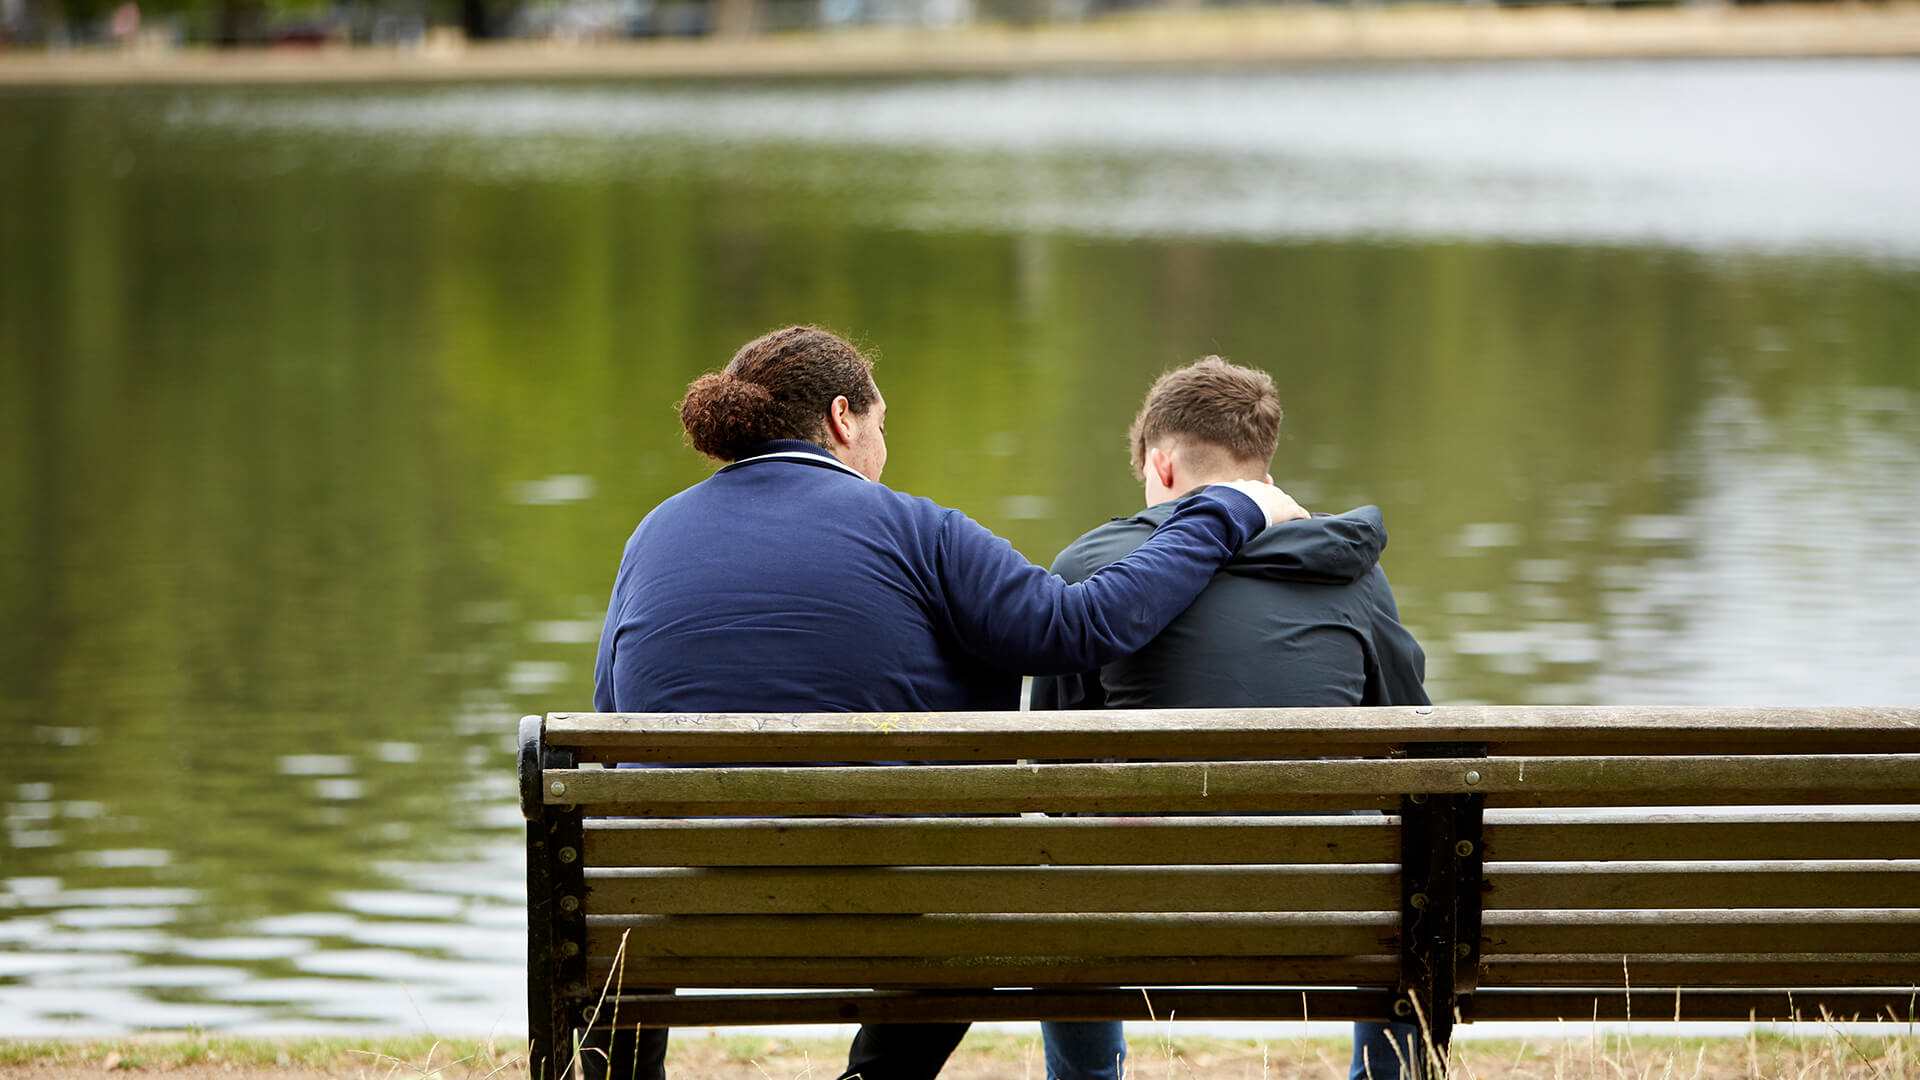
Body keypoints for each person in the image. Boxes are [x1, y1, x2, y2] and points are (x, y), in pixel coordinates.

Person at [590, 327, 1308, 1080]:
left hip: (677, 897)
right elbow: (1080, 626)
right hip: (891, 898)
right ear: (843, 418)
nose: (882, 450)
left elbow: (612, 716)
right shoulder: (912, 529)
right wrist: (1225, 508)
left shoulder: (652, 536)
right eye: (881, 425)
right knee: (973, 918)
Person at [1033, 356, 1431, 1080]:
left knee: (1071, 876)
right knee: (1416, 872)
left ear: (1160, 466)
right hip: (1326, 907)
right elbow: (1417, 744)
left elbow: (1056, 772)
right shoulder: (1352, 576)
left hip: (1134, 913)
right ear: (1265, 472)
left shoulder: (1091, 568)